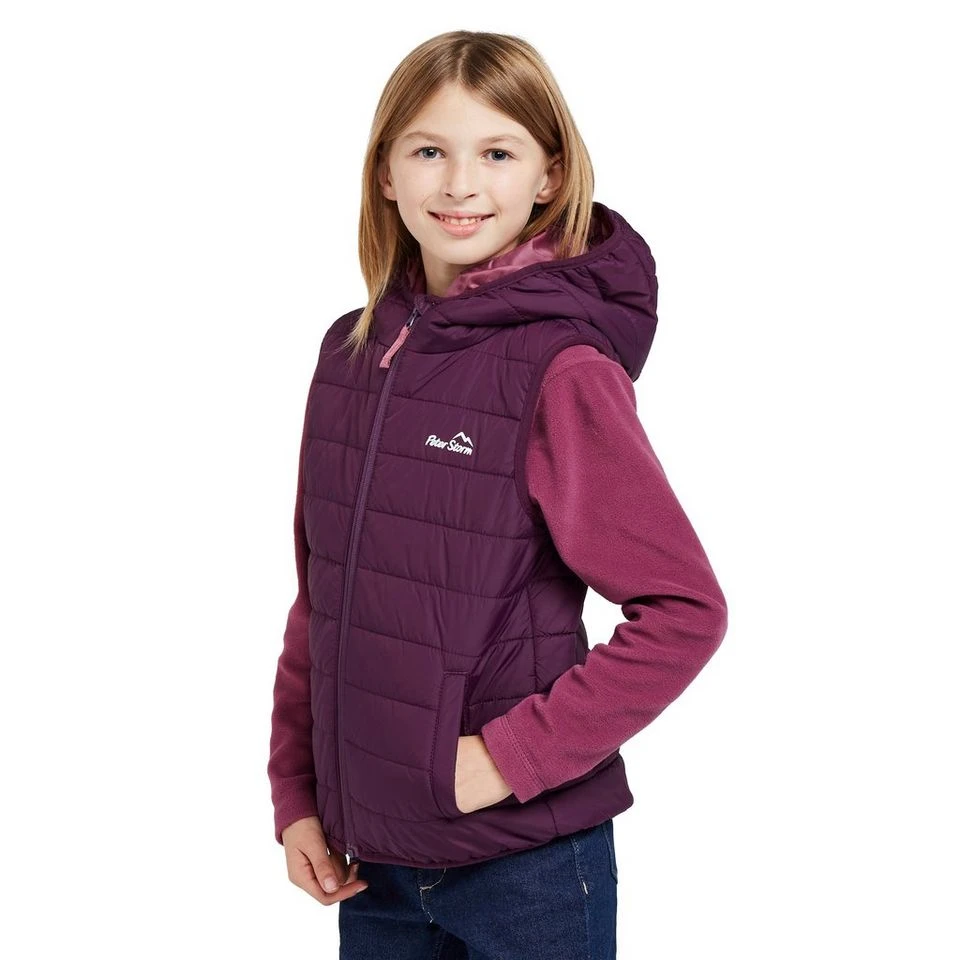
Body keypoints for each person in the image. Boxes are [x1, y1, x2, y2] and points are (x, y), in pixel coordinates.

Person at [267, 29, 728, 960]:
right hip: (375, 865)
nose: (459, 184)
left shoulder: (560, 369)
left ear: (549, 176)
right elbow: (326, 596)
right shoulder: (352, 353)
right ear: (385, 172)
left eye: (498, 153)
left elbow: (685, 611)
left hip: (527, 869)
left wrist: (510, 759)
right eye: (428, 151)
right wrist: (297, 792)